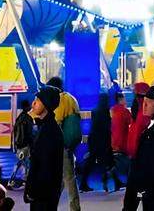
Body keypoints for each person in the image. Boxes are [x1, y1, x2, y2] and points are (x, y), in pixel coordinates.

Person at [46, 76, 83, 211]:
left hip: (61, 146)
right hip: (71, 143)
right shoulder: (72, 99)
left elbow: (57, 122)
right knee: (62, 179)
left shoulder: (60, 100)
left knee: (68, 178)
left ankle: (75, 208)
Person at [25, 85, 65, 211]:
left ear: (46, 103)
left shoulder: (50, 131)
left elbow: (45, 166)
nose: (33, 103)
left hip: (43, 195)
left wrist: (33, 191)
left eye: (38, 100)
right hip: (44, 194)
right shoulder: (45, 126)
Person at [79, 92, 120, 192]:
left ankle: (84, 183)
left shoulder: (95, 110)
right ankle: (114, 181)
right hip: (103, 140)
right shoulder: (105, 111)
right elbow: (106, 127)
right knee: (109, 161)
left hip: (93, 139)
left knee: (92, 161)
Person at [11, 98, 36, 187]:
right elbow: (30, 133)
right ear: (27, 107)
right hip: (26, 144)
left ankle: (13, 179)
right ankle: (25, 180)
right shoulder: (28, 118)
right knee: (27, 163)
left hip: (19, 144)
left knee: (20, 162)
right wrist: (32, 144)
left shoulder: (19, 118)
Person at [110, 90, 133, 181]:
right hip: (123, 140)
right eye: (124, 98)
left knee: (117, 160)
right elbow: (131, 122)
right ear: (120, 99)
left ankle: (112, 176)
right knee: (128, 161)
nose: (125, 100)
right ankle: (129, 179)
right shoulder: (124, 111)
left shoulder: (112, 110)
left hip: (113, 140)